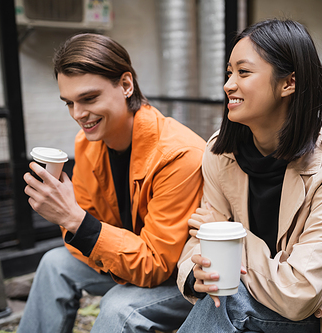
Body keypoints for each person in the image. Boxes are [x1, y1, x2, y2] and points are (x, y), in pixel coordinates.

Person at [176, 19, 322, 333]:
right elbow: (201, 237)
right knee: (222, 299)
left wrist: (230, 237)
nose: (228, 85)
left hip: (318, 316)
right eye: (229, 73)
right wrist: (198, 274)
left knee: (231, 301)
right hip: (248, 295)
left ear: (288, 83)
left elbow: (299, 295)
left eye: (244, 72)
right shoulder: (220, 153)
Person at [18, 33, 206, 333]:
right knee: (53, 264)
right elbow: (81, 238)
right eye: (69, 102)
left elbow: (157, 265)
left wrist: (76, 221)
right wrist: (94, 237)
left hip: (183, 279)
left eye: (89, 98)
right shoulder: (88, 144)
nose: (78, 114)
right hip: (129, 262)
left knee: (119, 306)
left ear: (126, 85)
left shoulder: (179, 154)